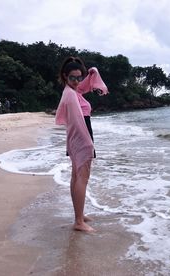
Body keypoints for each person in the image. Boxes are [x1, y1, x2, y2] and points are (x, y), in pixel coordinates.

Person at [55, 57, 109, 232]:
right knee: (82, 178)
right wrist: (88, 145)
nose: (77, 81)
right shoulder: (71, 95)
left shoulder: (72, 90)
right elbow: (78, 122)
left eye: (80, 77)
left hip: (77, 136)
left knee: (76, 176)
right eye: (73, 78)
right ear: (65, 76)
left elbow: (84, 86)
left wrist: (92, 72)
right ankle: (78, 221)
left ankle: (79, 215)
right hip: (82, 136)